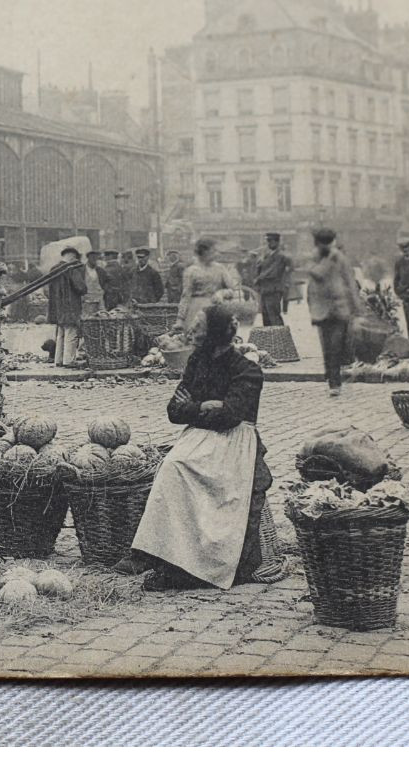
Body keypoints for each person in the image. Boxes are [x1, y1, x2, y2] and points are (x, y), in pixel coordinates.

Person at [125, 304, 285, 590]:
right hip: (199, 435)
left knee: (183, 467)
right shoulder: (197, 361)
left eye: (199, 326)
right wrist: (203, 406)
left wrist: (194, 407)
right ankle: (159, 552)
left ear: (214, 332)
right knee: (172, 467)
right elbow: (174, 411)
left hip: (234, 443)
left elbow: (230, 416)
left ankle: (199, 562)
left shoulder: (247, 370)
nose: (192, 331)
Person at [304, 228, 362, 398]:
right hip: (321, 309)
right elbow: (316, 275)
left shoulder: (340, 258)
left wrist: (357, 308)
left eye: (329, 242)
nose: (327, 246)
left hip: (339, 307)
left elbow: (350, 281)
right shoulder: (314, 259)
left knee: (336, 345)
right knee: (327, 347)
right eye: (324, 242)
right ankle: (332, 378)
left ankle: (334, 379)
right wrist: (330, 259)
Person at [175, 237, 240, 334]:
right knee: (197, 337)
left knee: (218, 337)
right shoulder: (191, 271)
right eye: (213, 250)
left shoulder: (220, 268)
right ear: (204, 251)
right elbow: (186, 296)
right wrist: (180, 319)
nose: (216, 253)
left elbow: (232, 289)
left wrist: (221, 293)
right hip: (195, 309)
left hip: (216, 308)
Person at [45, 246, 89, 367]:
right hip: (70, 307)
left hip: (57, 308)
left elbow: (46, 290)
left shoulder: (53, 269)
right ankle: (69, 361)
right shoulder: (71, 269)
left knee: (60, 334)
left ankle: (58, 360)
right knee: (71, 333)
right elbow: (81, 288)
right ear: (72, 256)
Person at [254, 232, 294, 327]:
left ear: (277, 242)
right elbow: (259, 269)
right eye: (268, 241)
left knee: (274, 316)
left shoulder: (281, 256)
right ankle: (270, 339)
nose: (269, 244)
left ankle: (280, 338)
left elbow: (273, 271)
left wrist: (259, 277)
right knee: (266, 316)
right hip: (265, 289)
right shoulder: (267, 256)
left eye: (271, 241)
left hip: (274, 289)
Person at [81, 250, 107, 317]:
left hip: (99, 299)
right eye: (92, 257)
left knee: (101, 318)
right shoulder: (81, 270)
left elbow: (106, 281)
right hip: (86, 301)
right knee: (87, 319)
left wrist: (103, 290)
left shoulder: (100, 270)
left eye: (96, 258)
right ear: (88, 258)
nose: (94, 259)